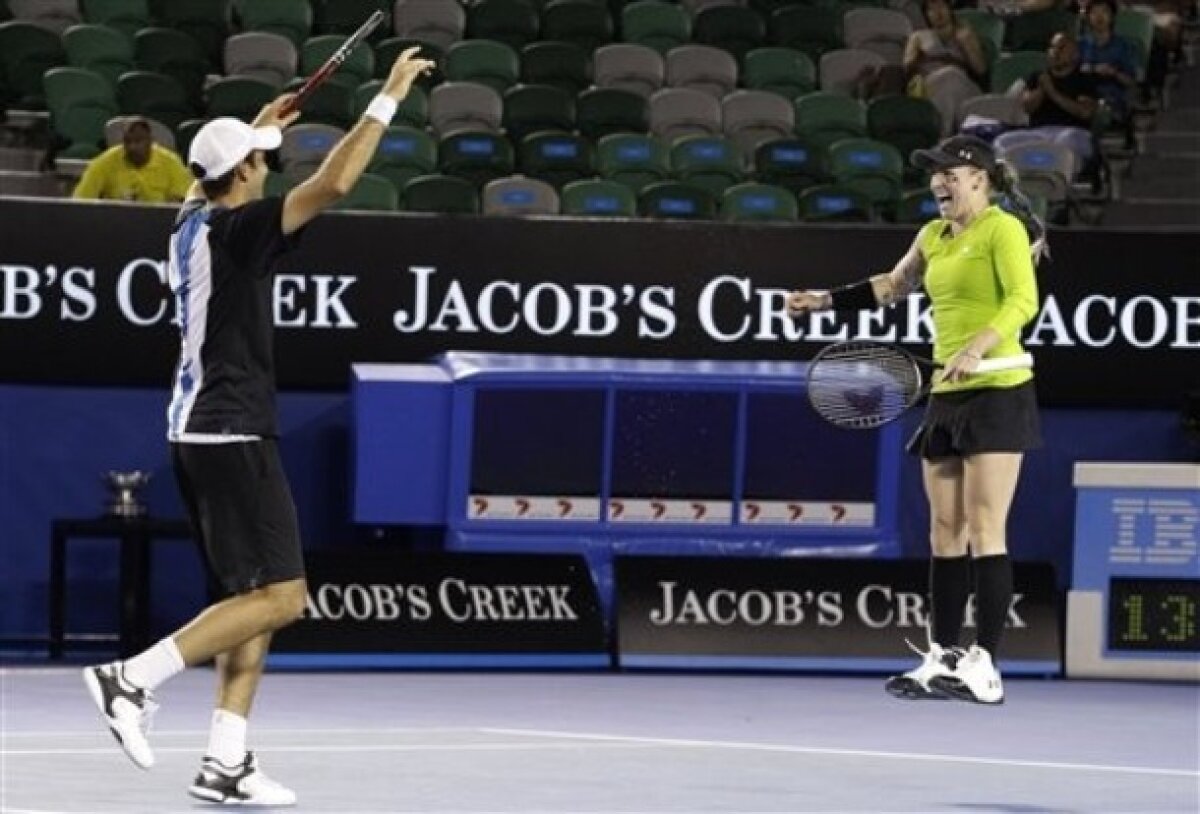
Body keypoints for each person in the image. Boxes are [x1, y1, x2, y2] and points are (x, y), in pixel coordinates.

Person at [81, 46, 436, 806]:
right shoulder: (239, 232)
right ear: (241, 174)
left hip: (196, 431)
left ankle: (226, 761)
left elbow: (216, 173)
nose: (268, 169)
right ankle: (130, 679)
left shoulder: (188, 222)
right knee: (285, 598)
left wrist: (257, 127)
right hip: (232, 429)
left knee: (252, 598)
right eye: (261, 161)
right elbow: (333, 183)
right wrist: (389, 95)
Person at [787, 134, 1045, 706]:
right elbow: (892, 285)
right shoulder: (932, 235)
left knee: (985, 528)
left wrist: (977, 346)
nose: (939, 183)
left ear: (979, 179)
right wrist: (823, 300)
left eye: (950, 173)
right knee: (944, 531)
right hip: (947, 395)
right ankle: (943, 657)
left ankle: (986, 666)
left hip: (998, 391)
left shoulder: (1002, 229)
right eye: (935, 174)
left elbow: (1022, 302)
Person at [994, 32, 1100, 177]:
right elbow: (1028, 107)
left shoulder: (1084, 80)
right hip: (1038, 133)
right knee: (1002, 141)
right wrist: (1042, 89)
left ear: (1075, 55)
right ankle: (1020, 177)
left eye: (1061, 48)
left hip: (1071, 132)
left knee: (1068, 141)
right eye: (1052, 47)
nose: (1055, 52)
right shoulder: (1039, 78)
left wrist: (1053, 92)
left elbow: (1085, 112)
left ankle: (1056, 176)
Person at [902, 0, 987, 135]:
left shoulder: (965, 34)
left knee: (952, 76)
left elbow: (980, 69)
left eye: (941, 7)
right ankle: (945, 134)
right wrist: (921, 57)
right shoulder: (918, 36)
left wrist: (966, 45)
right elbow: (906, 68)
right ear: (926, 14)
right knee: (948, 76)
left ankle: (951, 133)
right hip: (930, 84)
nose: (938, 13)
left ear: (949, 9)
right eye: (932, 9)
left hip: (962, 84)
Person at [71, 118, 193, 203]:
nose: (132, 147)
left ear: (150, 141)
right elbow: (81, 200)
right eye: (128, 141)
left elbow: (182, 202)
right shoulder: (105, 161)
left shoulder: (170, 162)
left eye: (138, 141)